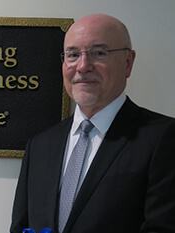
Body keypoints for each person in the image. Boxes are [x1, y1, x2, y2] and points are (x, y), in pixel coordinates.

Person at [10, 14, 175, 233]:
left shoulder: (164, 138)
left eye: (98, 53)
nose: (83, 66)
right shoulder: (39, 146)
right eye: (73, 55)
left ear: (128, 63)